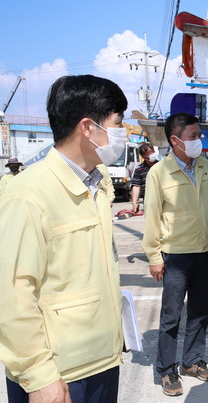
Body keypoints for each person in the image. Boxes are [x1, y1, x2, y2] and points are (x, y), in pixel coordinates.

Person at [0, 74, 128, 403]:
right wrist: (39, 377)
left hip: (100, 361)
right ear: (88, 127)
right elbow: (11, 295)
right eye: (118, 122)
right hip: (59, 375)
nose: (123, 133)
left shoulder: (95, 186)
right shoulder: (29, 193)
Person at [142, 112, 208, 397]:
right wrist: (154, 256)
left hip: (206, 253)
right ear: (175, 140)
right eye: (193, 137)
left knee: (201, 312)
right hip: (176, 256)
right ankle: (167, 370)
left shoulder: (204, 166)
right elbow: (152, 215)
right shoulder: (159, 173)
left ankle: (193, 361)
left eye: (199, 135)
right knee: (171, 317)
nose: (199, 141)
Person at [130, 142, 158, 213]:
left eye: (153, 151)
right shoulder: (139, 169)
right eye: (149, 152)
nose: (152, 154)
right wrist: (134, 203)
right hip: (149, 202)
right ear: (143, 157)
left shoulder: (162, 165)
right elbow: (136, 187)